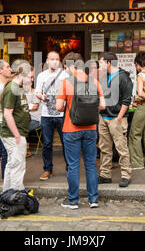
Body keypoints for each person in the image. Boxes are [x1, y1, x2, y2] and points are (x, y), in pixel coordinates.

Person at [56, 52, 105, 210]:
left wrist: (69, 106)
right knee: (91, 164)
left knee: (73, 165)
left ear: (71, 66)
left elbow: (58, 107)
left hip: (71, 128)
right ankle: (93, 199)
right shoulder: (95, 82)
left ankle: (73, 201)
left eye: (66, 67)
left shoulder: (65, 83)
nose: (66, 70)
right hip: (91, 128)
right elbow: (103, 106)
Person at [97, 52, 133, 188]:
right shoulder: (104, 77)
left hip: (117, 119)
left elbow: (126, 100)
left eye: (100, 62)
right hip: (104, 118)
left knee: (121, 148)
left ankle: (126, 175)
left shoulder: (124, 78)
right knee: (104, 148)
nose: (99, 65)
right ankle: (105, 174)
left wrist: (119, 118)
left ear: (108, 63)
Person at [35, 51, 69, 181]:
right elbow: (37, 92)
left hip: (62, 113)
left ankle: (69, 168)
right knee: (47, 143)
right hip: (46, 114)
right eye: (52, 59)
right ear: (47, 61)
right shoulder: (41, 76)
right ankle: (47, 169)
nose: (54, 61)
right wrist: (41, 96)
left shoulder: (65, 75)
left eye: (57, 59)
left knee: (65, 142)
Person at [0, 59, 31, 192]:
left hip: (16, 134)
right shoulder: (12, 89)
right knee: (18, 166)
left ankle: (7, 194)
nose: (31, 80)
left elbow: (18, 108)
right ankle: (16, 194)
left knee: (12, 165)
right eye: (30, 77)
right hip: (14, 135)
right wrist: (17, 135)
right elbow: (7, 114)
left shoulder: (18, 88)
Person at [26, 68, 42, 158]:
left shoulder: (35, 92)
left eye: (32, 78)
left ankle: (27, 151)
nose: (31, 80)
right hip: (27, 118)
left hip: (36, 120)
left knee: (23, 128)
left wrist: (24, 107)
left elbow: (34, 107)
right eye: (29, 78)